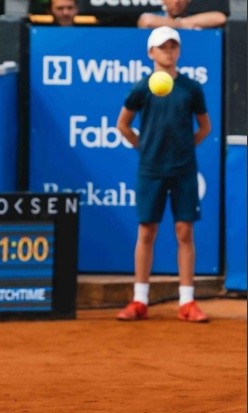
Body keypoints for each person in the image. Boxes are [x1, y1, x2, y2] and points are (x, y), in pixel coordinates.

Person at [115, 26, 211, 323]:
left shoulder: (192, 88)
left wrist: (184, 149)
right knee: (147, 232)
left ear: (178, 51)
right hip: (151, 169)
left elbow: (205, 127)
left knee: (184, 232)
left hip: (183, 170)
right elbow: (123, 125)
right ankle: (140, 300)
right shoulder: (142, 88)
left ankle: (187, 301)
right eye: (162, 46)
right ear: (150, 53)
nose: (168, 51)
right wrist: (144, 149)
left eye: (173, 46)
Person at [137, 0, 226, 29]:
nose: (176, 2)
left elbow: (220, 18)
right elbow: (146, 20)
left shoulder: (194, 19)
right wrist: (180, 24)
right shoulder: (157, 16)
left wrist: (183, 22)